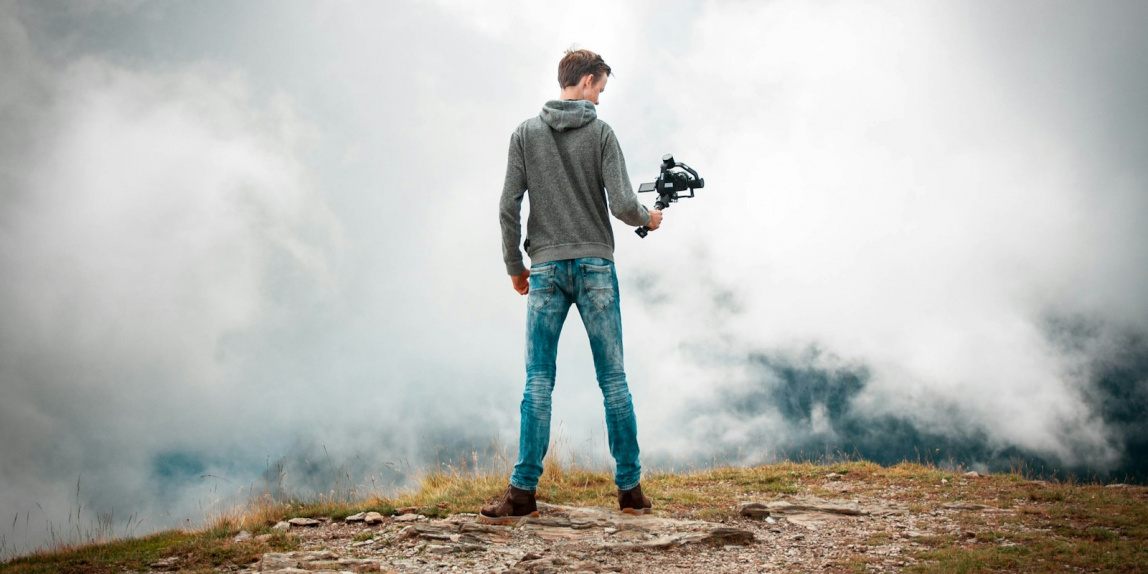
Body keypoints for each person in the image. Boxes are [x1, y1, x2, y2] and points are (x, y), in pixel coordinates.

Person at [481, 48, 663, 524]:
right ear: (585, 81)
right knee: (614, 381)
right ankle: (630, 491)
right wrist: (651, 219)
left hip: (542, 269)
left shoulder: (525, 134)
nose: (600, 100)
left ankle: (521, 494)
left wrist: (514, 266)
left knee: (538, 381)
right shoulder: (601, 133)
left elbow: (507, 206)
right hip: (596, 268)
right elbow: (624, 204)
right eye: (600, 88)